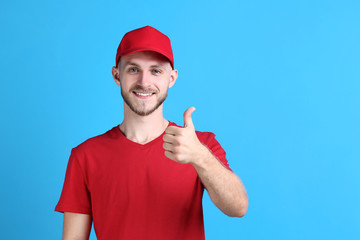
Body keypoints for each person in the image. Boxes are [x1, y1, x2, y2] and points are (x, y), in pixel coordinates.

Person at [55, 25, 248, 240]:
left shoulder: (199, 144)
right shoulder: (85, 156)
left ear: (171, 78)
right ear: (117, 76)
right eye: (133, 69)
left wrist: (201, 158)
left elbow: (238, 207)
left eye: (156, 71)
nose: (144, 82)